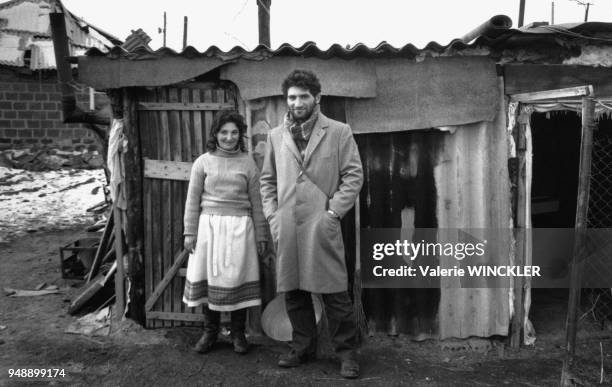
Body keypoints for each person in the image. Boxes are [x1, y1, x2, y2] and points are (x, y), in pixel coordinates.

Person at [260, 69, 364, 378]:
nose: (297, 102)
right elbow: (267, 181)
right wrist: (272, 216)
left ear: (316, 98)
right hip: (288, 224)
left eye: (303, 96)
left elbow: (353, 176)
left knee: (335, 293)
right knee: (294, 292)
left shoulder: (338, 131)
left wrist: (333, 213)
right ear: (286, 100)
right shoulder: (276, 136)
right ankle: (302, 347)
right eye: (292, 97)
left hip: (322, 222)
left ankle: (347, 354)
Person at [183, 111, 267, 355]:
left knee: (237, 279)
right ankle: (210, 332)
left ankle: (238, 334)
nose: (229, 137)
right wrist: (190, 232)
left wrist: (261, 235)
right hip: (209, 228)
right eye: (224, 132)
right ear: (216, 134)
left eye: (234, 132)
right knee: (210, 280)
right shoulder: (203, 162)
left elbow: (257, 202)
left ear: (240, 135)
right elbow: (192, 200)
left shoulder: (248, 163)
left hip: (241, 228)